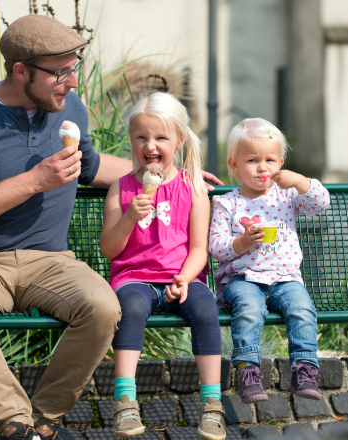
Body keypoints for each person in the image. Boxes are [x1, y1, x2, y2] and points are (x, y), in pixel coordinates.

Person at [0, 15, 223, 440]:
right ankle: (14, 422)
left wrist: (180, 172)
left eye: (74, 67)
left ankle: (44, 421)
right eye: (60, 72)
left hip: (51, 262)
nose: (71, 81)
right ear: (21, 71)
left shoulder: (69, 109)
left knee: (104, 308)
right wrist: (35, 181)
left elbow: (93, 166)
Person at [99, 92, 225, 440]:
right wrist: (129, 217)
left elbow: (200, 249)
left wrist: (185, 279)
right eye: (142, 137)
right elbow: (110, 249)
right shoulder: (120, 189)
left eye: (160, 138)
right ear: (131, 140)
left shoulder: (193, 187)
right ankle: (124, 400)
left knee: (204, 308)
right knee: (133, 307)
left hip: (182, 276)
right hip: (134, 277)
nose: (150, 145)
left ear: (179, 140)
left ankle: (212, 404)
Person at [208, 118, 330, 403]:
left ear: (280, 163)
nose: (262, 167)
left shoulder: (288, 195)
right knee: (250, 309)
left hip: (285, 277)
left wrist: (300, 181)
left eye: (270, 160)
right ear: (235, 165)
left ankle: (304, 371)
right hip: (243, 278)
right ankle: (248, 371)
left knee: (302, 308)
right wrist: (242, 242)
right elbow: (216, 247)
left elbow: (321, 203)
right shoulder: (227, 203)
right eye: (252, 160)